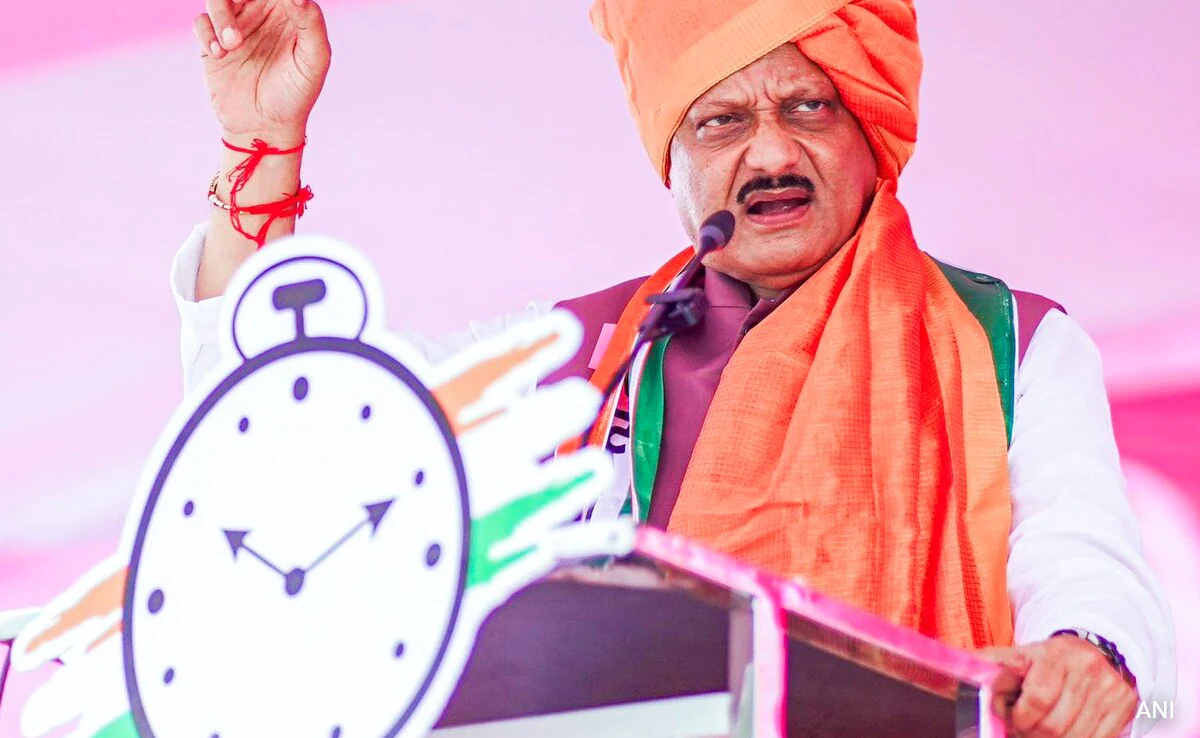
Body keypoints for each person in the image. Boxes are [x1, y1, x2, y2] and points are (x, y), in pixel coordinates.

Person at [179, 1, 1174, 736]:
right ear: (674, 163)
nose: (771, 152)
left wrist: (1088, 652)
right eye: (720, 122)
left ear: (870, 129)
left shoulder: (1011, 343)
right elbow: (287, 425)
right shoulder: (590, 357)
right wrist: (264, 146)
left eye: (809, 106)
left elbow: (1085, 563)